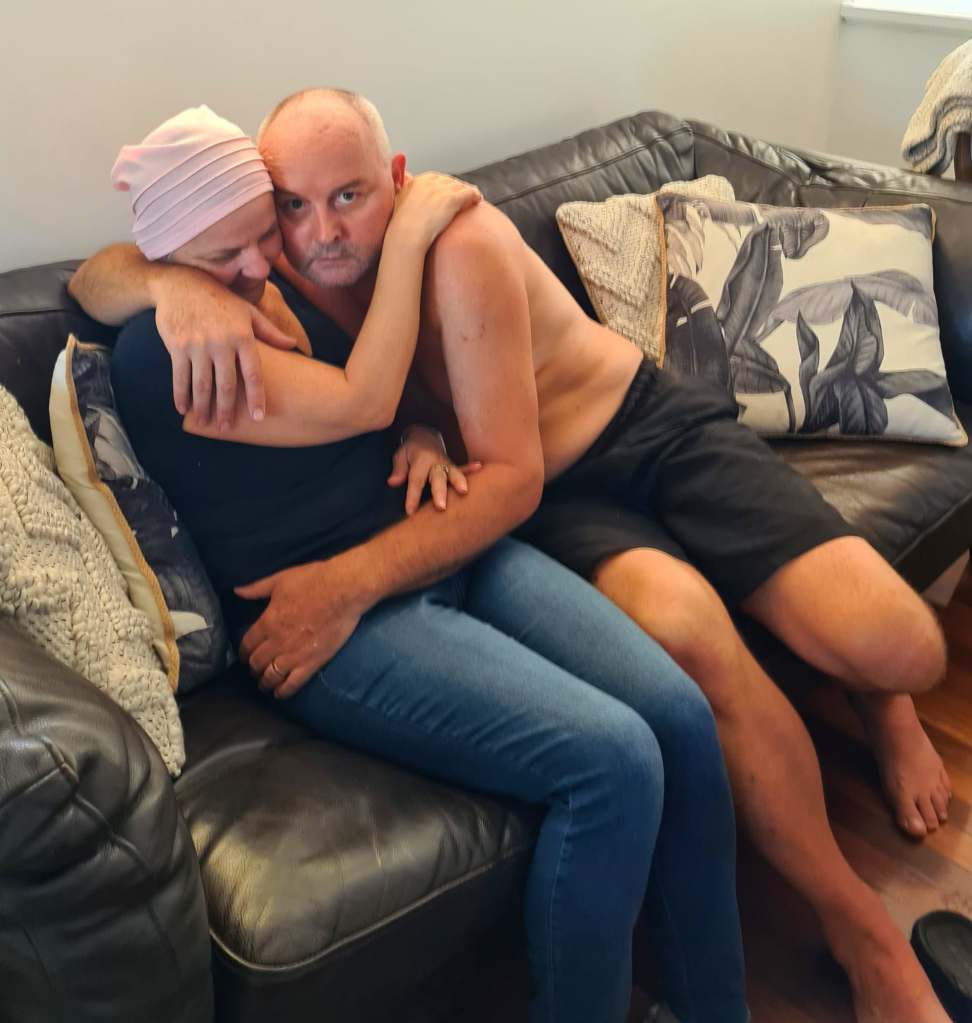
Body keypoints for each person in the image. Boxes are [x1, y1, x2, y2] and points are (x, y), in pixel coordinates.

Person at [70, 89, 951, 1023]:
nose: (278, 250)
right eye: (275, 219)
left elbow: (370, 407)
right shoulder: (190, 338)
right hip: (360, 596)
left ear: (393, 179)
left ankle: (716, 1002)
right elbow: (120, 282)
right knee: (619, 758)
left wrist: (419, 434)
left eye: (335, 202)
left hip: (491, 501)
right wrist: (169, 287)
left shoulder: (329, 263)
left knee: (702, 708)